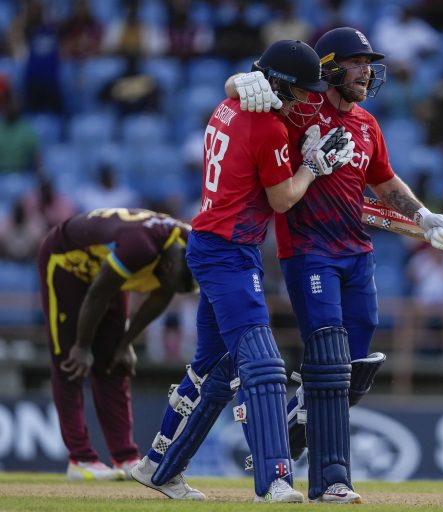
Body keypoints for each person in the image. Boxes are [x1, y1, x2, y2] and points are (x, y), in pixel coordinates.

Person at [224, 27, 443, 503]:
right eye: (357, 62)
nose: (367, 71)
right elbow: (247, 92)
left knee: (355, 360)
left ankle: (298, 415)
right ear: (331, 65)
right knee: (332, 362)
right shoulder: (299, 108)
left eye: (369, 63)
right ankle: (332, 478)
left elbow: (387, 185)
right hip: (309, 252)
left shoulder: (367, 124)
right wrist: (238, 81)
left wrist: (424, 216)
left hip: (358, 254)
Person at [131, 39, 354, 503]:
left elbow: (247, 110)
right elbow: (282, 199)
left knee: (211, 366)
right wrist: (313, 167)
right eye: (300, 92)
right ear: (279, 85)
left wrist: (238, 84)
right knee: (265, 364)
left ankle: (158, 466)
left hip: (216, 243)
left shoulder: (226, 107)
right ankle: (273, 481)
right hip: (228, 251)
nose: (306, 100)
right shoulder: (268, 127)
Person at [36, 208, 197, 481]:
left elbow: (160, 296)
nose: (171, 291)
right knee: (71, 362)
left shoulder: (189, 244)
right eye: (175, 286)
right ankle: (81, 459)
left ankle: (125, 456)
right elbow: (99, 292)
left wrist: (125, 343)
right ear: (169, 266)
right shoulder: (141, 247)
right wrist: (83, 346)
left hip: (108, 271)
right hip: (67, 261)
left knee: (114, 362)